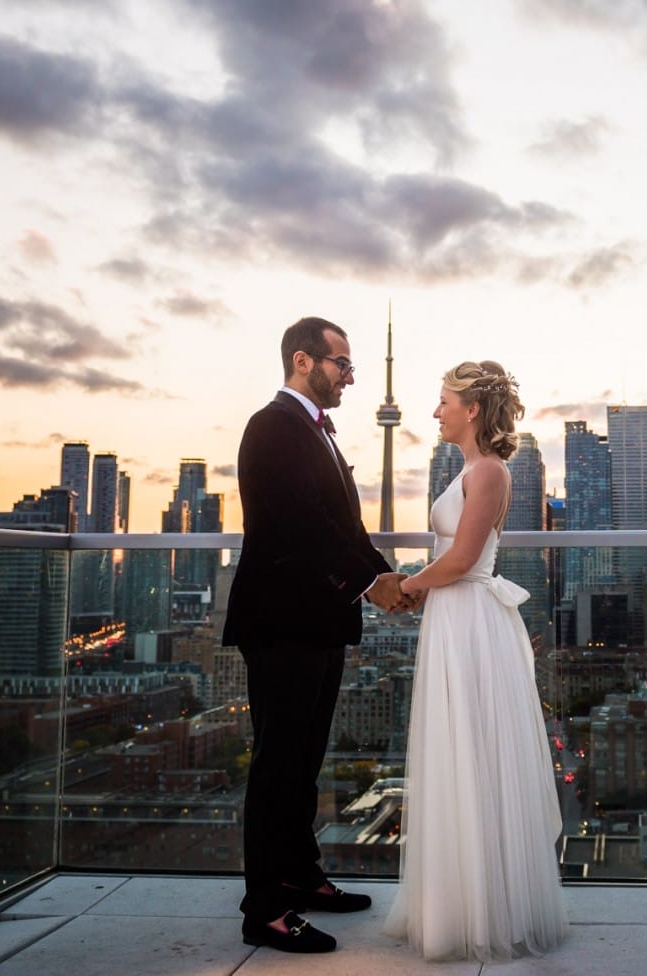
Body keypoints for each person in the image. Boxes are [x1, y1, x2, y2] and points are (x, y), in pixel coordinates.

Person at [223, 316, 411, 954]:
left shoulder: (318, 432)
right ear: (303, 361)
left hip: (318, 621)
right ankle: (265, 909)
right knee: (277, 765)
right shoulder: (272, 426)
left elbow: (343, 526)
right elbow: (300, 525)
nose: (350, 377)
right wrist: (371, 584)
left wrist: (384, 580)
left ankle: (301, 877)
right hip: (281, 623)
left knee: (304, 763)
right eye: (342, 364)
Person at [386, 361, 569, 961]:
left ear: (471, 410)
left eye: (442, 402)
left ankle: (484, 909)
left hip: (469, 619)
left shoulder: (487, 470)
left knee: (475, 750)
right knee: (458, 749)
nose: (435, 412)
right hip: (453, 617)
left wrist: (406, 589)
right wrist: (419, 592)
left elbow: (462, 559)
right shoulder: (470, 469)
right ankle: (460, 903)